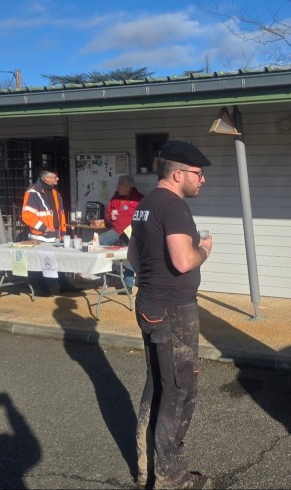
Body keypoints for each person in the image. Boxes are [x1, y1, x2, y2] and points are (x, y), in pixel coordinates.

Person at [127, 140, 213, 490]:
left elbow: (133, 257)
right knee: (178, 390)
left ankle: (146, 467)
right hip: (173, 310)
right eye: (198, 173)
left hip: (149, 304)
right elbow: (182, 261)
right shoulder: (174, 206)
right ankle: (171, 478)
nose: (202, 179)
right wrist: (204, 249)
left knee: (157, 386)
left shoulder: (145, 205)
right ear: (178, 174)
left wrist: (153, 280)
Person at [21, 170, 79, 296]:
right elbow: (27, 215)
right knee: (40, 263)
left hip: (55, 235)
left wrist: (62, 232)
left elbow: (59, 214)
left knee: (59, 260)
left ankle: (63, 285)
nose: (57, 179)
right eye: (54, 177)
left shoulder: (55, 193)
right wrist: (43, 228)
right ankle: (41, 288)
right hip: (40, 236)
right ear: (46, 179)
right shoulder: (32, 193)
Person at [99, 174, 143, 289]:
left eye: (120, 185)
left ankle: (128, 284)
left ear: (129, 186)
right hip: (116, 230)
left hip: (131, 233)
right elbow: (108, 214)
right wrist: (110, 218)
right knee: (98, 243)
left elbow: (143, 218)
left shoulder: (139, 199)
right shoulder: (116, 197)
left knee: (131, 254)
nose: (117, 187)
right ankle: (107, 277)